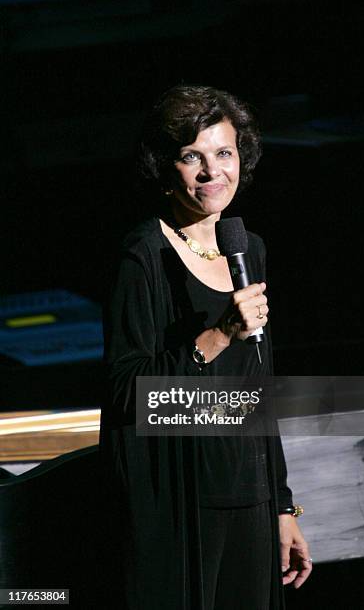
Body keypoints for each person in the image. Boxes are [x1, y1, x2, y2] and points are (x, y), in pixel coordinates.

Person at [100, 84, 312, 610]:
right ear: (163, 165)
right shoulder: (142, 256)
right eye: (191, 156)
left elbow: (257, 391)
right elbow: (128, 392)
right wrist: (218, 336)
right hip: (180, 500)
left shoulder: (248, 248)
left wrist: (282, 508)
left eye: (224, 153)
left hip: (251, 496)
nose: (211, 172)